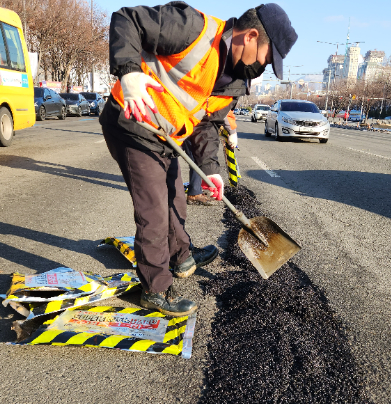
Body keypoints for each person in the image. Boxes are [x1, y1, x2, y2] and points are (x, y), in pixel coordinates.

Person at [99, 2, 298, 316]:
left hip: (168, 137)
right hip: (133, 123)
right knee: (154, 210)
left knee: (176, 199)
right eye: (265, 58)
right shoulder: (193, 30)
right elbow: (127, 19)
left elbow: (206, 124)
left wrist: (210, 171)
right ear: (250, 37)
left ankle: (181, 259)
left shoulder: (234, 84)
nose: (262, 68)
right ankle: (155, 289)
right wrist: (129, 73)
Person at [184, 108, 239, 206]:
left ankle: (192, 192)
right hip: (193, 124)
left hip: (183, 121)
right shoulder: (219, 96)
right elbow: (223, 108)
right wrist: (232, 131)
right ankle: (193, 193)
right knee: (197, 158)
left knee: (192, 159)